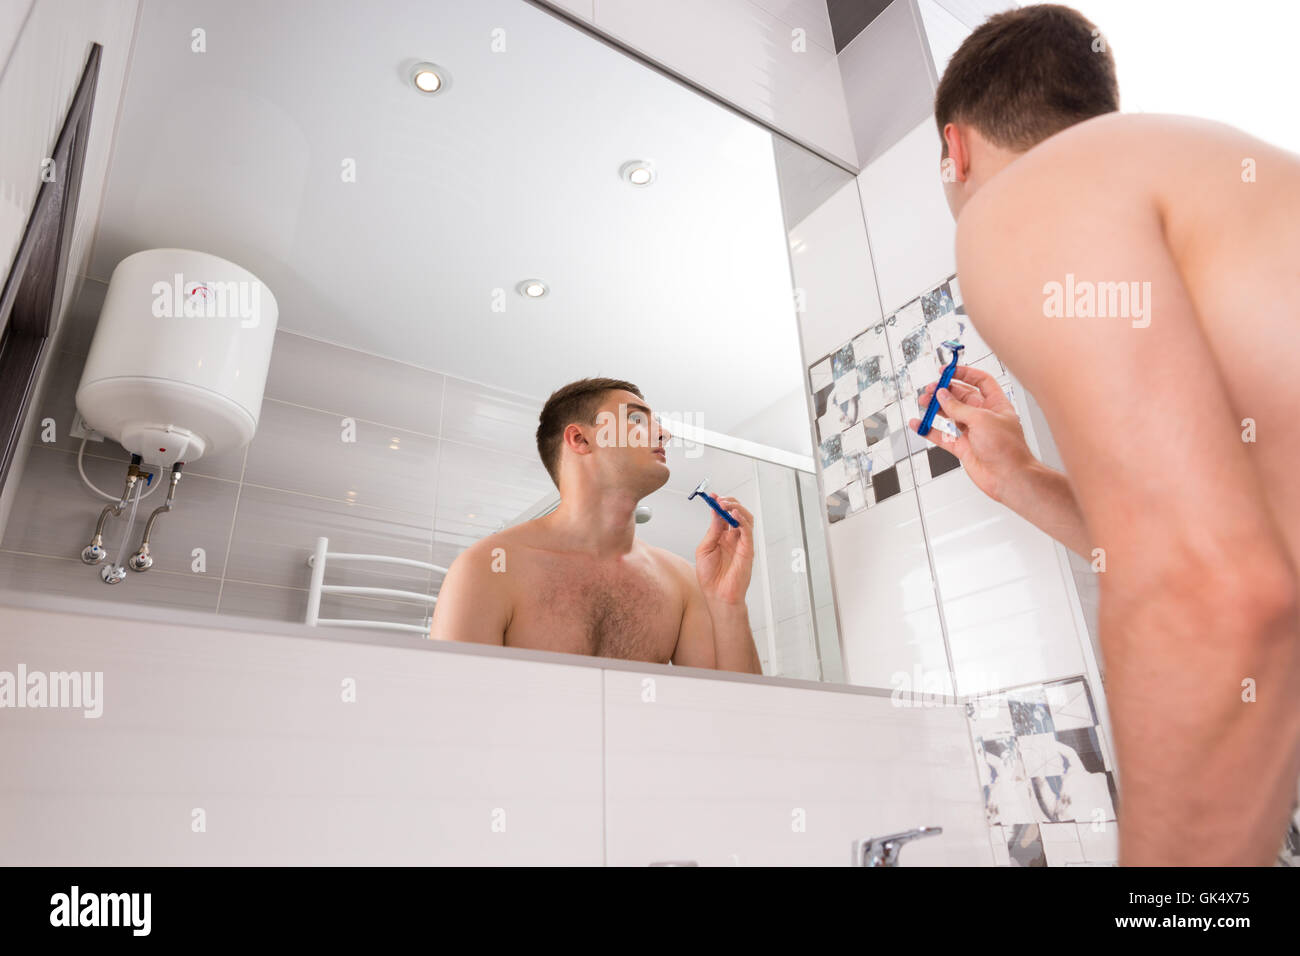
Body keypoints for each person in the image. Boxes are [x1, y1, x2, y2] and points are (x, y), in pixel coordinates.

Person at [907, 3, 1300, 865]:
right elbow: (1247, 551)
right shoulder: (1193, 166)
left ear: (956, 148)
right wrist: (1021, 478)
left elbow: (1209, 596)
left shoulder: (1020, 199)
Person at [430, 377, 762, 673]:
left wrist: (728, 604)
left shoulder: (680, 579)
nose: (665, 433)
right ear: (580, 440)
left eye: (657, 423)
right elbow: (452, 716)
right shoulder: (489, 567)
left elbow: (732, 714)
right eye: (635, 419)